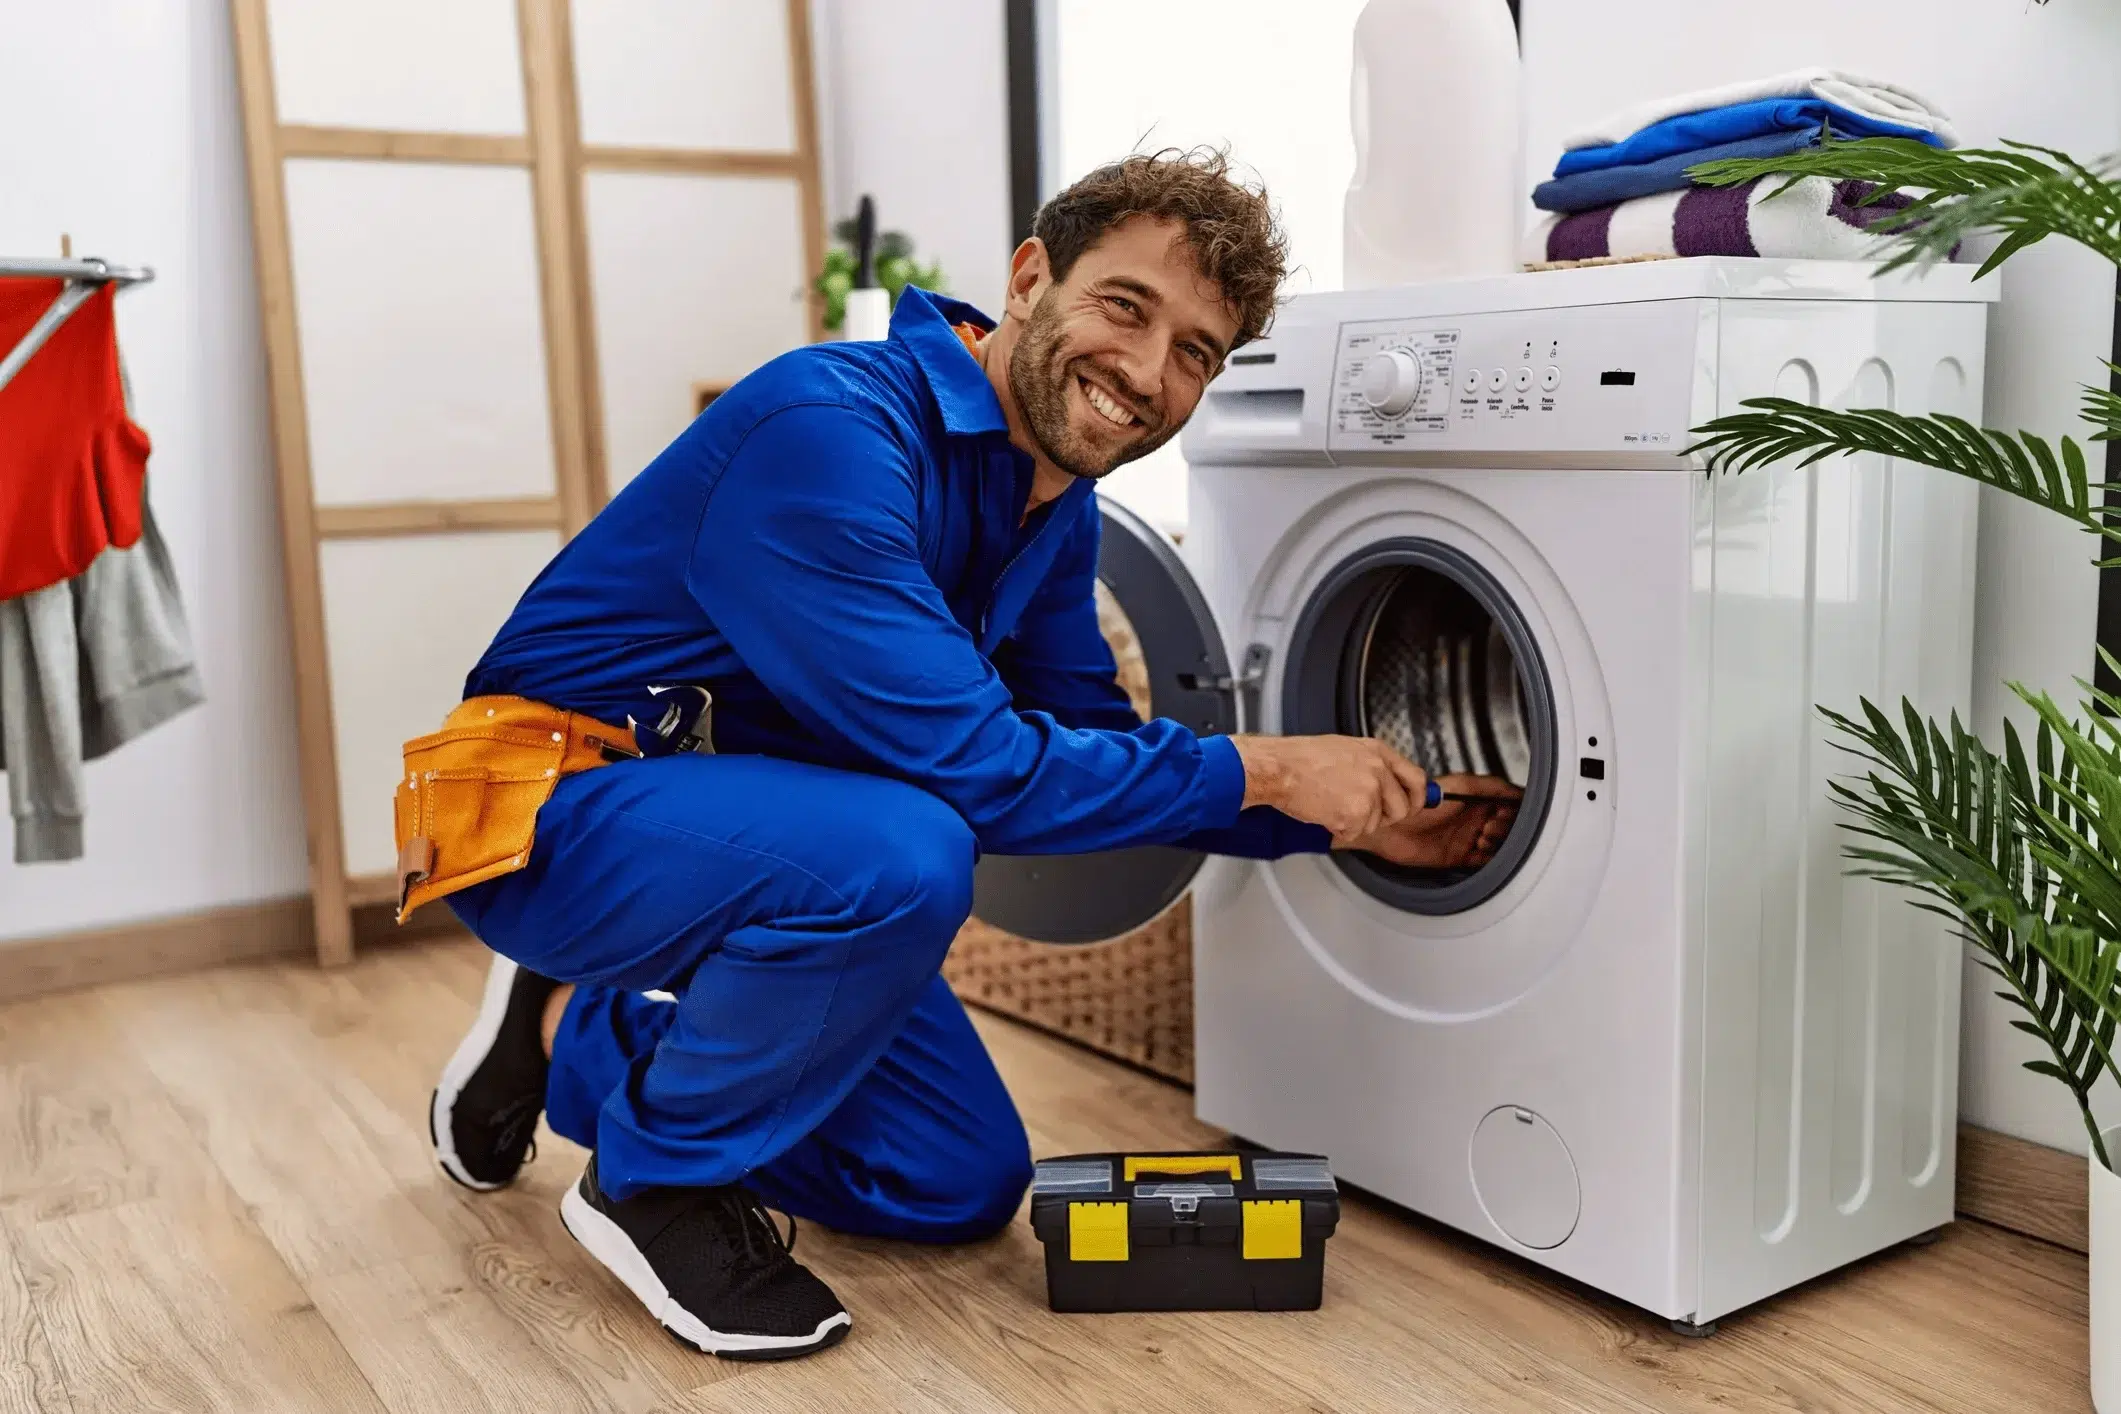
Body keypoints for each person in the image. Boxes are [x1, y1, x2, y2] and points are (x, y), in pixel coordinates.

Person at [408, 148, 1518, 1362]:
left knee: (952, 1177)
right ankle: (653, 1182)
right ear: (1031, 275)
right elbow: (981, 771)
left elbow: (1092, 744)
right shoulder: (828, 434)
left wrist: (1340, 814)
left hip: (762, 835)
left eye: (1197, 351)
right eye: (1126, 306)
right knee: (914, 847)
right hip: (547, 809)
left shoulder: (1053, 498)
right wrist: (1272, 772)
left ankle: (576, 1029)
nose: (1147, 374)